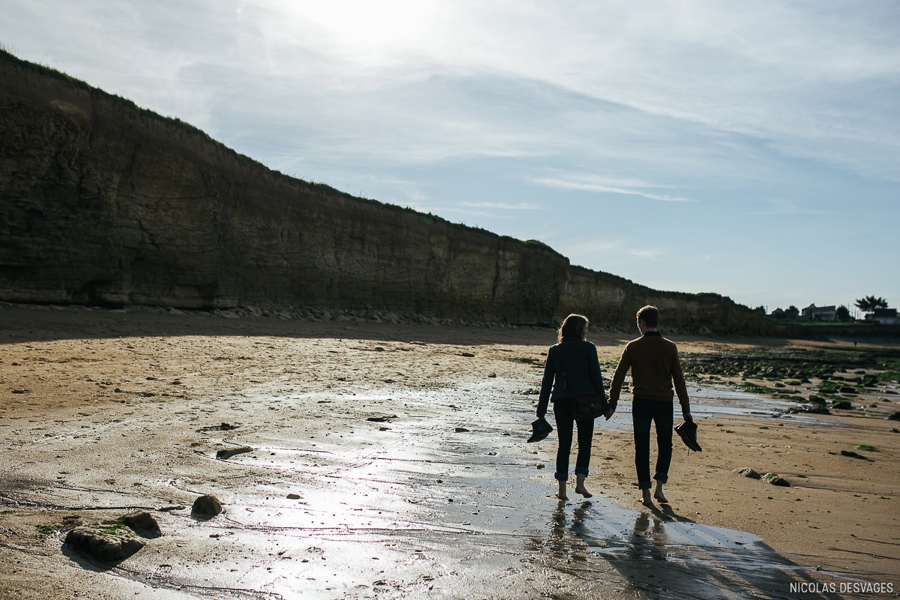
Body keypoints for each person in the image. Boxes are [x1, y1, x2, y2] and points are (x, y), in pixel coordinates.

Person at [608, 305, 692, 507]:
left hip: (641, 402)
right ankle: (660, 487)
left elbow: (618, 378)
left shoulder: (633, 346)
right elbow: (679, 380)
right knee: (665, 445)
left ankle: (645, 493)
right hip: (664, 402)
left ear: (642, 323)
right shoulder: (670, 347)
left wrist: (612, 403)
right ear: (656, 322)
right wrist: (686, 409)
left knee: (642, 446)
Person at [536, 314, 608, 501]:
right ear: (578, 329)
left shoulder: (555, 350)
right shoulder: (589, 348)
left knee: (564, 444)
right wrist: (605, 404)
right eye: (585, 327)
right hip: (586, 403)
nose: (587, 330)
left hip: (562, 401)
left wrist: (541, 410)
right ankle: (580, 484)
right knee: (585, 443)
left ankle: (562, 490)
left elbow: (547, 382)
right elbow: (596, 378)